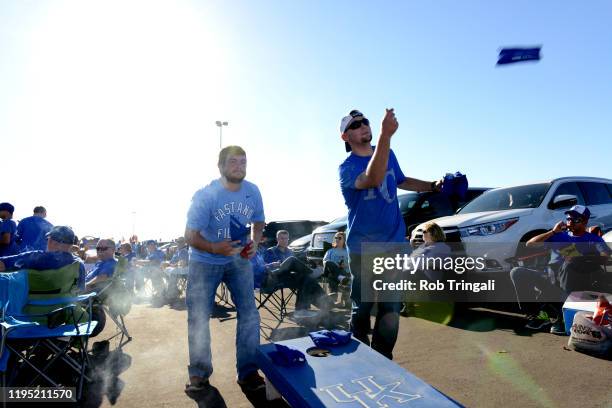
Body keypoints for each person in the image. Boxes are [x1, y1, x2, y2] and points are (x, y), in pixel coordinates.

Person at [339, 108, 441, 359]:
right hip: (364, 249)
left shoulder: (389, 155)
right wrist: (386, 135)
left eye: (365, 121)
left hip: (394, 245)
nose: (363, 125)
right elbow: (373, 178)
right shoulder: (347, 168)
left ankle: (383, 361)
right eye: (355, 125)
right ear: (345, 137)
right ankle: (361, 357)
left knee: (390, 308)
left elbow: (401, 180)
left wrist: (431, 186)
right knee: (362, 308)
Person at [183, 145, 265, 396]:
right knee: (198, 316)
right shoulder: (206, 195)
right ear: (220, 167)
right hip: (204, 260)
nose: (239, 166)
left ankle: (248, 372)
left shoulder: (252, 191)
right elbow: (189, 236)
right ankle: (199, 373)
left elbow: (259, 221)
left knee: (250, 314)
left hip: (238, 260)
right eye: (232, 162)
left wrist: (255, 243)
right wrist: (212, 247)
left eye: (243, 162)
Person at [510, 205, 611, 334]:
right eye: (568, 219)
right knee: (517, 272)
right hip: (550, 277)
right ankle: (537, 314)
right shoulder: (559, 235)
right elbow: (530, 244)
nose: (570, 222)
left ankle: (560, 316)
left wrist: (579, 258)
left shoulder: (593, 239)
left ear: (585, 221)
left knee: (569, 264)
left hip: (574, 280)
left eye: (575, 219)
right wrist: (552, 232)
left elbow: (605, 256)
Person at [0, 225, 86, 290]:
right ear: (71, 245)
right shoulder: (78, 264)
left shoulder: (34, 258)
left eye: (47, 239)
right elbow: (80, 290)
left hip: (30, 310)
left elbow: (2, 264)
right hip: (65, 309)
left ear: (52, 241)